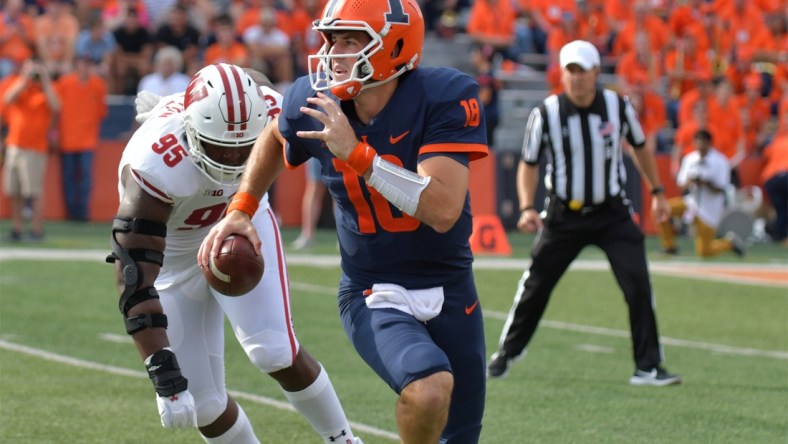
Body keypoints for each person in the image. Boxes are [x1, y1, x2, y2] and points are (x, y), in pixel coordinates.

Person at [199, 0, 489, 441]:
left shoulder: (444, 96)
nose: (333, 53)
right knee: (429, 391)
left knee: (461, 433)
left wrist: (357, 154)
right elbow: (276, 137)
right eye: (331, 39)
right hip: (374, 289)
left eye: (350, 40)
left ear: (392, 47)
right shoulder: (312, 100)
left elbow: (443, 209)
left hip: (451, 285)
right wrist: (241, 207)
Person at [112, 63, 360, 443]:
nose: (232, 160)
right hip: (173, 260)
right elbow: (134, 277)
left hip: (242, 219)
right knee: (202, 404)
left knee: (274, 350)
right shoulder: (154, 164)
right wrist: (160, 368)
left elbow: (258, 84)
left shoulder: (271, 108)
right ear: (191, 130)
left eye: (243, 147)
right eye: (219, 147)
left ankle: (344, 440)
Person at [487, 40, 681, 387]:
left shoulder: (616, 106)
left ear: (596, 73)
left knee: (638, 283)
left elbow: (639, 147)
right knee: (535, 285)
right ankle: (507, 353)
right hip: (564, 214)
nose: (576, 78)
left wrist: (657, 192)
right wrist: (528, 205)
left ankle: (648, 367)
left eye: (583, 70)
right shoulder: (546, 112)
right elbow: (528, 164)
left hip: (611, 212)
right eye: (570, 70)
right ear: (562, 74)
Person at [657, 129, 745, 257]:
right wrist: (691, 180)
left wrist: (705, 183)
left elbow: (722, 188)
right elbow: (681, 185)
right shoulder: (690, 159)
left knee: (704, 251)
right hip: (691, 202)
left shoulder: (720, 162)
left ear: (709, 143)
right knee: (663, 209)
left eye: (703, 143)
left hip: (709, 209)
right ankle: (669, 246)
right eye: (697, 143)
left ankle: (729, 243)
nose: (700, 146)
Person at [0, 59, 60, 241]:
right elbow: (7, 99)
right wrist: (24, 79)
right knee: (14, 191)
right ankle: (17, 228)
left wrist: (45, 79)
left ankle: (36, 229)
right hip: (14, 145)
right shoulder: (17, 84)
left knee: (33, 192)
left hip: (35, 148)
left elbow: (57, 107)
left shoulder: (46, 89)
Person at [54, 55, 108, 222]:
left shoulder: (98, 85)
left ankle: (82, 212)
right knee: (70, 176)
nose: (85, 67)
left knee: (84, 176)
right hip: (68, 137)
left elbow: (101, 112)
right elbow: (55, 108)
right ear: (77, 64)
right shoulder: (65, 83)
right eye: (83, 63)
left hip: (87, 139)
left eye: (88, 63)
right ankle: (72, 212)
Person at [291, 157, 328, 250]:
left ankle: (343, 236)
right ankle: (307, 235)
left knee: (339, 189)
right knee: (314, 187)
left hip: (339, 145)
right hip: (316, 145)